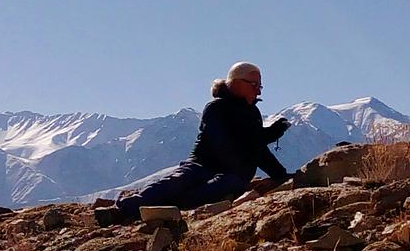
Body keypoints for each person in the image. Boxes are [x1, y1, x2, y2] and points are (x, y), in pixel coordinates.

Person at [95, 62, 292, 227]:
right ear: (236, 83)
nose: (257, 89)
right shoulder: (216, 108)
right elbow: (227, 142)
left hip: (233, 174)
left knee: (207, 193)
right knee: (177, 181)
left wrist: (279, 174)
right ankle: (123, 209)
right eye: (254, 84)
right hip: (202, 165)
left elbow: (255, 147)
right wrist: (266, 137)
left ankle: (157, 211)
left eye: (260, 85)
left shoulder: (253, 114)